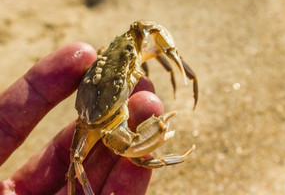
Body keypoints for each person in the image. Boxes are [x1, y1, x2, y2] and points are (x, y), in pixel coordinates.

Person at [0, 43, 163, 194]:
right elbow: (77, 164)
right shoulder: (92, 123)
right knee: (76, 163)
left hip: (101, 92)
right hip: (92, 119)